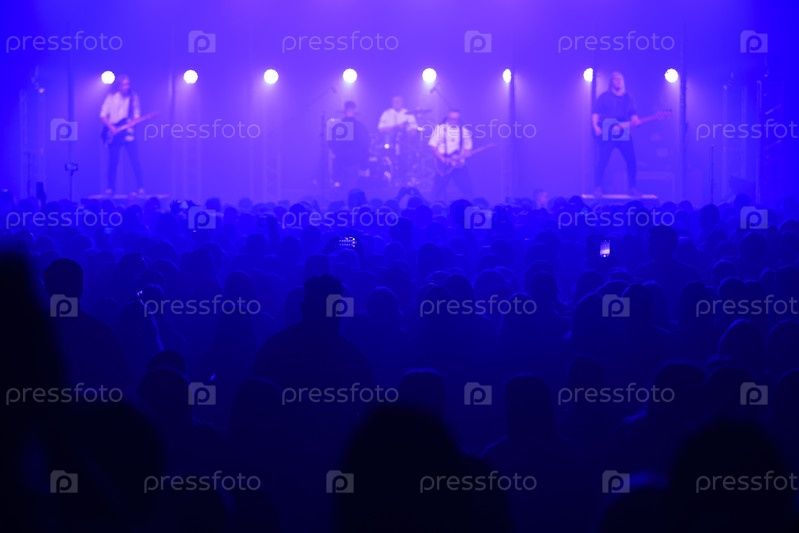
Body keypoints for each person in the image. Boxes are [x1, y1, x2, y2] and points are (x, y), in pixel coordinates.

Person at [591, 72, 640, 197]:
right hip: (608, 127)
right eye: (616, 79)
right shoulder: (604, 97)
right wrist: (596, 126)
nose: (618, 81)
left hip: (623, 128)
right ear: (611, 81)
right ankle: (597, 187)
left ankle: (633, 187)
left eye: (620, 79)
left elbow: (633, 113)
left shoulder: (627, 98)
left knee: (631, 159)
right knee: (602, 159)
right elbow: (595, 113)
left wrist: (635, 120)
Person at [100, 74, 145, 196]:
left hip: (128, 132)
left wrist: (133, 122)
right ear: (119, 86)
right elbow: (103, 115)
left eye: (128, 84)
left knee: (135, 160)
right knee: (113, 161)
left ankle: (140, 187)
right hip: (114, 133)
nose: (127, 87)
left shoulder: (133, 97)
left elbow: (137, 114)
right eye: (125, 84)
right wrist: (112, 127)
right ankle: (110, 188)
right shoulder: (111, 97)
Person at [428, 108, 473, 201]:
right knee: (436, 192)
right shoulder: (440, 129)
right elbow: (432, 145)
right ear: (448, 118)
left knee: (468, 190)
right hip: (443, 165)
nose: (453, 121)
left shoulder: (464, 131)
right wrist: (443, 159)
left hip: (458, 165)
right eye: (451, 119)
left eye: (456, 119)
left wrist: (466, 154)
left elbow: (468, 148)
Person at [328, 101, 371, 196]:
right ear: (345, 110)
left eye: (352, 109)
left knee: (353, 182)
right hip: (342, 159)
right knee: (343, 182)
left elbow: (365, 142)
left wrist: (362, 156)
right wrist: (338, 152)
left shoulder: (359, 126)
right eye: (349, 109)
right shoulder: (340, 126)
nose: (350, 111)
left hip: (354, 159)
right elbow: (332, 143)